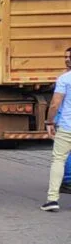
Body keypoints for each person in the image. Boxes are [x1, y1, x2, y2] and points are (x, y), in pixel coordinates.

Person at [41, 46, 71, 212]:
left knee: (58, 160)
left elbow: (55, 104)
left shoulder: (64, 79)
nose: (67, 59)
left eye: (69, 57)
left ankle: (52, 199)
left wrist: (49, 122)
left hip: (67, 127)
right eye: (65, 56)